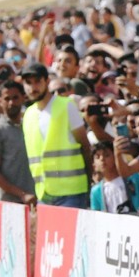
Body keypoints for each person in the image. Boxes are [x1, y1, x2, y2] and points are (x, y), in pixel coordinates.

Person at [19, 61, 91, 208]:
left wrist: (88, 187)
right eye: (28, 83)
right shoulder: (28, 114)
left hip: (72, 192)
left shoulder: (66, 105)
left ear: (47, 81)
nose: (33, 87)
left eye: (37, 81)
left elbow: (85, 147)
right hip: (44, 193)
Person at [0, 79, 36, 205]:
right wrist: (22, 195)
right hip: (10, 203)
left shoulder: (31, 125)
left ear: (23, 98)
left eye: (15, 98)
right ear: (0, 101)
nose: (11, 102)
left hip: (37, 201)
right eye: (7, 99)